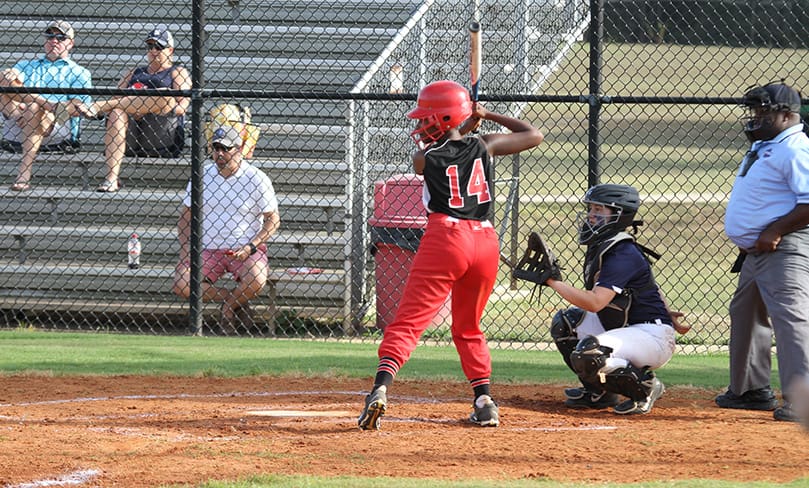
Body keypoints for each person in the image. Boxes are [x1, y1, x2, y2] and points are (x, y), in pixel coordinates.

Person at [357, 80, 544, 430]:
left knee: (408, 322)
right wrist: (486, 116)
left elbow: (442, 148)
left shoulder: (423, 158)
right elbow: (533, 134)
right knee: (468, 327)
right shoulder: (485, 145)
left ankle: (380, 390)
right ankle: (484, 400)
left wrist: (465, 124)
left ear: (444, 119)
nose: (420, 127)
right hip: (486, 241)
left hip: (446, 238)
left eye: (427, 120)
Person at [715, 81, 809, 423]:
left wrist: (774, 230)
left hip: (785, 246)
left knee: (791, 321)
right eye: (753, 111)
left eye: (763, 111)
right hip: (758, 251)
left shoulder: (795, 148)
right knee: (746, 314)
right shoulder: (769, 145)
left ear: (786, 115)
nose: (755, 118)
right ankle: (751, 391)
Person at [543, 184, 678, 415]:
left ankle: (646, 387)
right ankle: (600, 392)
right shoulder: (607, 245)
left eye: (599, 210)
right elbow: (649, 286)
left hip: (650, 336)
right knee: (566, 323)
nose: (591, 216)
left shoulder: (622, 252)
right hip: (628, 329)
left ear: (619, 215)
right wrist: (669, 312)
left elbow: (596, 302)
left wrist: (553, 282)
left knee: (591, 353)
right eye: (591, 209)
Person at [172, 125, 281, 334]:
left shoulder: (256, 178)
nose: (219, 153)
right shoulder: (202, 174)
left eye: (225, 148)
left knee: (257, 278)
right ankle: (235, 301)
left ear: (239, 149)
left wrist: (251, 246)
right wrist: (186, 246)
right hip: (207, 248)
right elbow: (186, 216)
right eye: (216, 148)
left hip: (245, 248)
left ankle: (229, 308)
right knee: (182, 284)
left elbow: (273, 220)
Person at [85, 28, 191, 192]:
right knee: (116, 112)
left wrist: (150, 107)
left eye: (158, 46)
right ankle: (112, 179)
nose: (153, 51)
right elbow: (115, 101)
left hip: (160, 132)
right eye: (150, 47)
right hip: (131, 133)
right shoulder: (135, 72)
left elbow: (182, 107)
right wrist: (135, 108)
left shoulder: (177, 72)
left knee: (164, 95)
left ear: (170, 50)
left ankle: (96, 107)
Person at [0, 20, 92, 191]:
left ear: (71, 43)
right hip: (19, 120)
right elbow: (5, 79)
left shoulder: (80, 72)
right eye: (50, 36)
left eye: (61, 37)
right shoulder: (26, 65)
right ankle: (37, 107)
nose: (54, 40)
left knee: (34, 109)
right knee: (5, 81)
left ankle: (25, 171)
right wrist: (43, 103)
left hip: (57, 123)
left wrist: (41, 109)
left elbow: (78, 107)